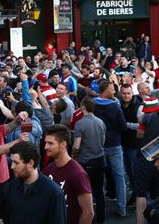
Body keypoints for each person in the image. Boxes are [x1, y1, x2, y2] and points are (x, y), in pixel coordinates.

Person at [43, 124, 93, 224]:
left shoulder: (78, 174)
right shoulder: (48, 169)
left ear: (63, 144)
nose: (45, 147)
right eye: (45, 143)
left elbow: (88, 213)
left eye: (50, 143)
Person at [8, 141, 67, 224]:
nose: (12, 166)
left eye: (16, 163)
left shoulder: (53, 193)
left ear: (31, 163)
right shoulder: (13, 185)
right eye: (12, 162)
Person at [93, 80, 128, 217]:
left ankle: (97, 206)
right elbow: (123, 127)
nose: (115, 92)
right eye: (113, 89)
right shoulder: (115, 106)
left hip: (98, 145)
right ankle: (122, 208)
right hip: (114, 145)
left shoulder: (93, 104)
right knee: (120, 177)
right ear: (106, 91)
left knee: (98, 177)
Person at [72, 97, 106, 223]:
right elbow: (103, 140)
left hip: (86, 162)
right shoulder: (100, 122)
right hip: (100, 159)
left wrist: (73, 157)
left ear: (83, 107)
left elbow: (76, 146)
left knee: (86, 193)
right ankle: (101, 219)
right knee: (99, 192)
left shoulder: (80, 123)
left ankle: (89, 220)